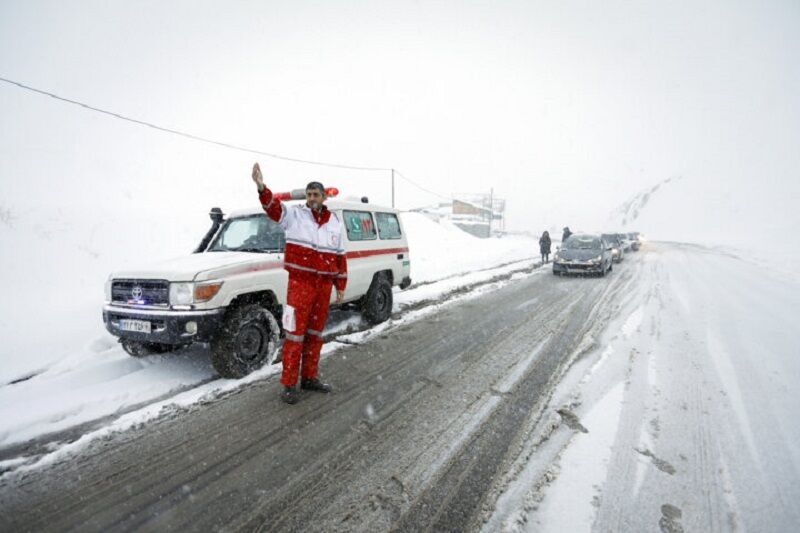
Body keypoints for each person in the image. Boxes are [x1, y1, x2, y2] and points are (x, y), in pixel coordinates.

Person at [251, 162, 347, 404]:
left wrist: (340, 285)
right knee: (294, 335)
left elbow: (339, 256)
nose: (312, 198)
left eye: (316, 194)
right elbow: (273, 209)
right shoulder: (294, 215)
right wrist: (262, 187)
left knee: (315, 335)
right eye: (309, 194)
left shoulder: (334, 221)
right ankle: (289, 384)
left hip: (323, 286)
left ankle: (309, 378)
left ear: (324, 197)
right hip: (300, 284)